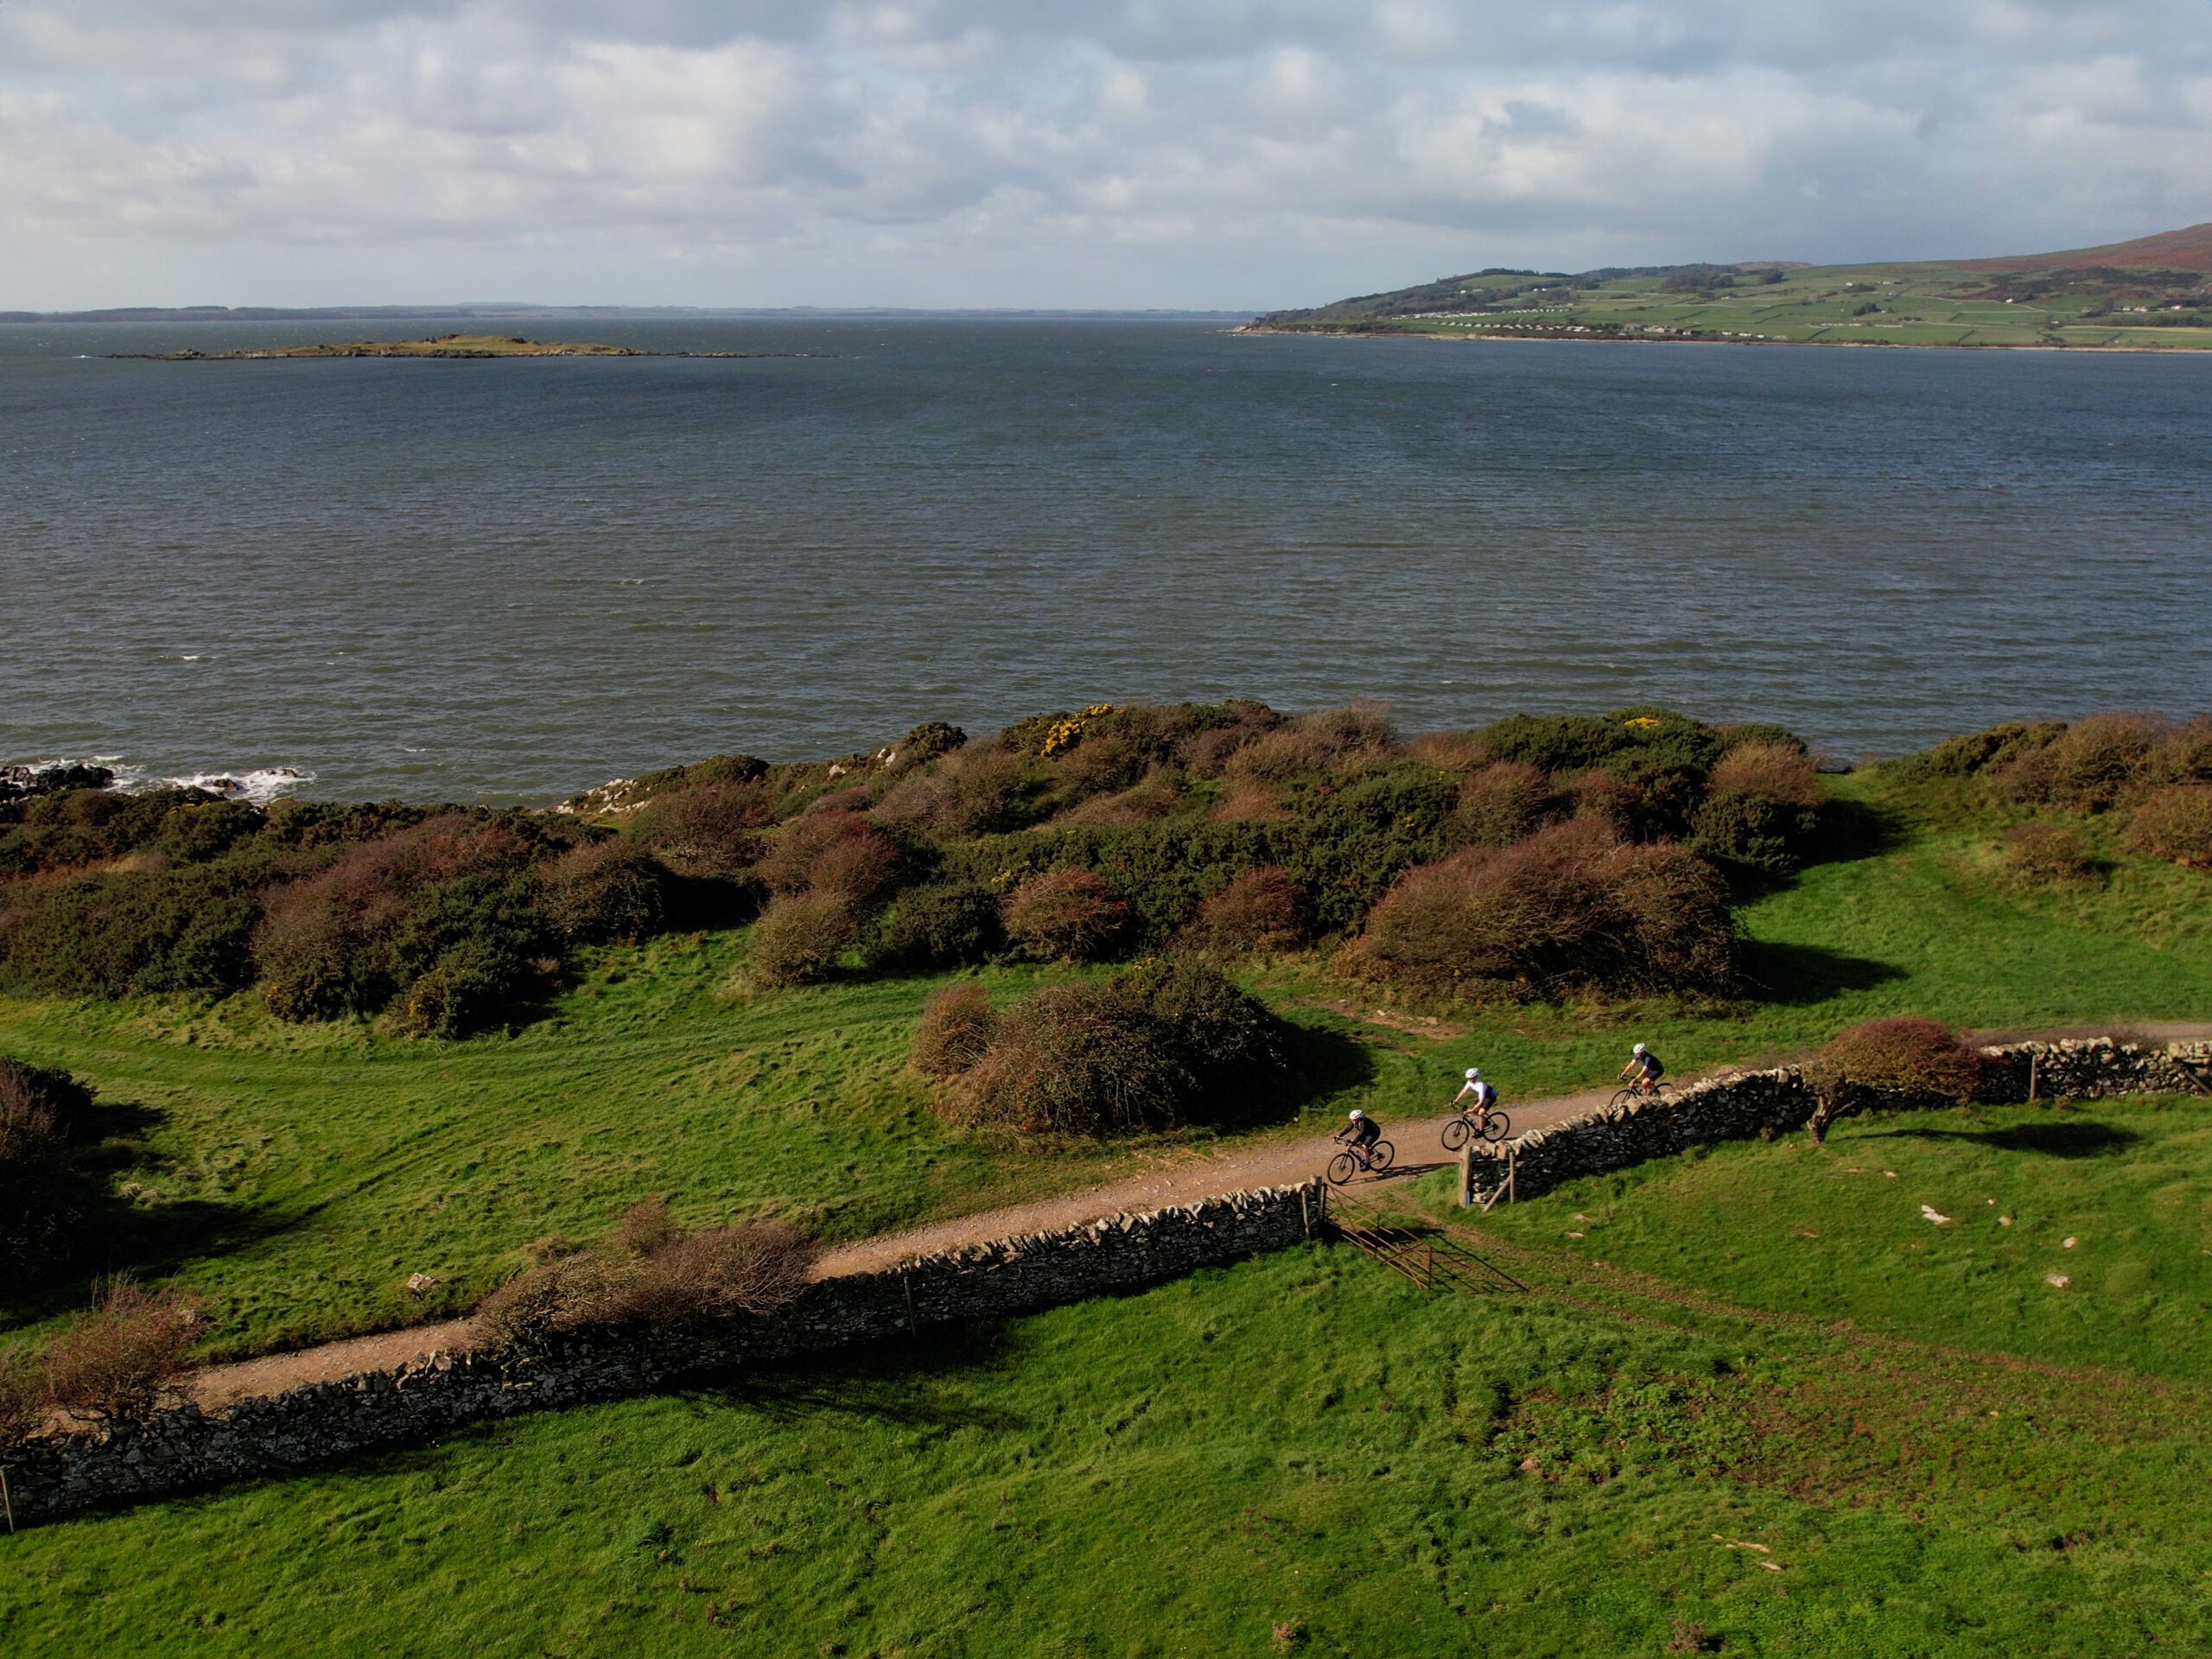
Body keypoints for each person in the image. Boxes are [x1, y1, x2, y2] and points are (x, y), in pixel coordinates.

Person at [1452, 1066, 1499, 1130]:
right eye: (1468, 1078)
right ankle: (1485, 1121)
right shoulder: (1470, 1082)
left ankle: (1481, 1131)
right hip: (1483, 1096)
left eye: (1471, 1078)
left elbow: (1481, 1101)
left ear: (1476, 1077)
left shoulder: (1480, 1085)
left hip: (1490, 1097)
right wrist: (1456, 1101)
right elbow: (1464, 1091)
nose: (1470, 1080)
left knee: (1480, 1113)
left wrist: (1471, 1111)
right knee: (1475, 1110)